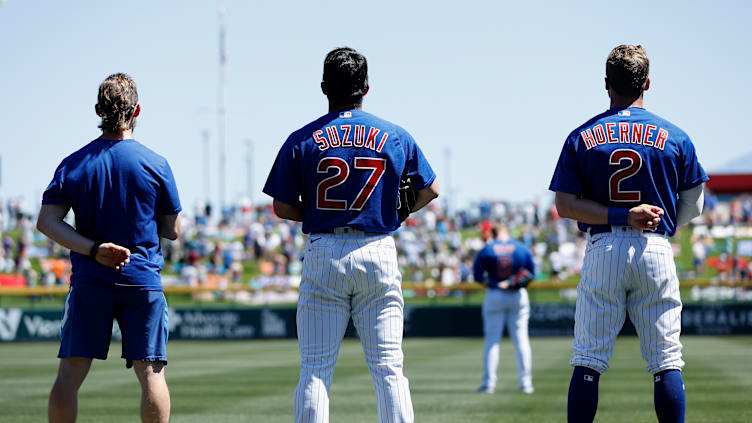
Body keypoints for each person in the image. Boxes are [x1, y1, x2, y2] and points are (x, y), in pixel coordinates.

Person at [263, 47, 439, 423]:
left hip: (325, 248)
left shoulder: (302, 138)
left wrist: (312, 211)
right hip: (377, 247)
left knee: (315, 369)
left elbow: (280, 206)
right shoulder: (394, 134)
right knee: (389, 369)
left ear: (324, 87)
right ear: (367, 87)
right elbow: (431, 189)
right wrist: (398, 210)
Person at [549, 45, 707, 423]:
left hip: (604, 246)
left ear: (607, 84)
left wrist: (621, 215)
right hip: (655, 246)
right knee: (666, 360)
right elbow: (695, 204)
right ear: (647, 83)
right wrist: (654, 224)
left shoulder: (582, 136)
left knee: (588, 358)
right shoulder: (675, 136)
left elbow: (565, 205)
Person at [37, 73, 181, 423]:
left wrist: (93, 249)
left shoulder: (74, 163)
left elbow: (47, 222)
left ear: (99, 110)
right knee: (152, 374)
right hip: (141, 278)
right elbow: (173, 230)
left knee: (69, 375)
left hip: (91, 278)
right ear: (137, 110)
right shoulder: (156, 163)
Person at [473, 223, 535, 395]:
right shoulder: (521, 247)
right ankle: (526, 383)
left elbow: (478, 277)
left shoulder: (487, 249)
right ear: (507, 231)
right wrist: (514, 282)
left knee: (492, 341)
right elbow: (531, 274)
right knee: (521, 340)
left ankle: (489, 384)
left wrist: (496, 283)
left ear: (493, 233)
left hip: (495, 293)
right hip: (517, 294)